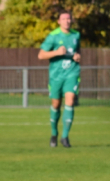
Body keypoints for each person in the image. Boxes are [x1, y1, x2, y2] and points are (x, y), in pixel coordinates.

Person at [38, 10, 81, 148]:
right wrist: (56, 52)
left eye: (68, 18)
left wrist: (77, 56)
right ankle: (54, 133)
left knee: (70, 100)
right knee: (56, 104)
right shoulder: (53, 36)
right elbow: (41, 55)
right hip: (56, 75)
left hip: (71, 72)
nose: (66, 21)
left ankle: (65, 137)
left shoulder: (76, 35)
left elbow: (77, 51)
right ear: (58, 21)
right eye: (63, 19)